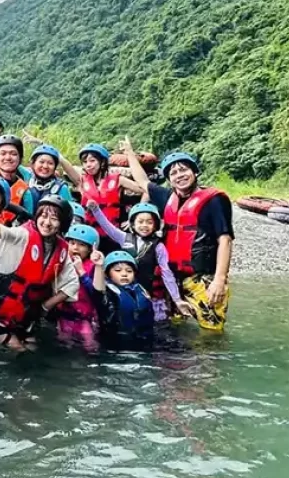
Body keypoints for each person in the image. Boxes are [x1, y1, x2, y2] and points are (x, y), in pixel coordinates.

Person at [0, 195, 82, 351]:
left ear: (62, 223)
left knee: (33, 349)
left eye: (54, 219)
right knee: (18, 349)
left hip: (25, 314)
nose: (47, 222)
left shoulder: (61, 250)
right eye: (43, 216)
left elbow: (72, 284)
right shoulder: (22, 235)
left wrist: (45, 306)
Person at [124, 148, 233, 331]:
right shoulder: (167, 198)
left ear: (195, 172)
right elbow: (142, 181)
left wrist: (219, 280)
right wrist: (129, 152)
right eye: (173, 173)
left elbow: (225, 240)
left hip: (203, 279)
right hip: (173, 281)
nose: (179, 175)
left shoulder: (214, 201)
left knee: (212, 334)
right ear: (169, 179)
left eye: (184, 170)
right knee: (175, 330)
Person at [87, 200, 192, 322]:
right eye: (140, 222)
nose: (145, 225)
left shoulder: (158, 246)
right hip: (123, 291)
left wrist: (177, 299)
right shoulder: (124, 238)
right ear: (132, 224)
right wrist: (96, 210)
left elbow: (166, 273)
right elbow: (107, 226)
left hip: (145, 293)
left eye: (149, 222)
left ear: (155, 225)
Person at [86, 250, 155, 345]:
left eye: (129, 271)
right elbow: (98, 292)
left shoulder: (141, 289)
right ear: (107, 274)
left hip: (144, 340)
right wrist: (99, 266)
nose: (124, 274)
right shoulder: (108, 294)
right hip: (117, 343)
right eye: (118, 270)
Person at [54, 224, 100, 352]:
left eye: (81, 245)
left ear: (90, 249)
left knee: (90, 345)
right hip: (64, 316)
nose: (75, 248)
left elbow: (96, 293)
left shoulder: (93, 267)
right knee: (64, 344)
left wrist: (81, 272)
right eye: (72, 243)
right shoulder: (61, 263)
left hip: (84, 319)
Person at [76, 143, 123, 228]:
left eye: (92, 160)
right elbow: (68, 170)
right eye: (85, 162)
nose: (88, 165)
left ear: (102, 162)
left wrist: (135, 216)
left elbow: (146, 190)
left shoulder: (118, 180)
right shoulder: (82, 180)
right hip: (89, 232)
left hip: (112, 233)